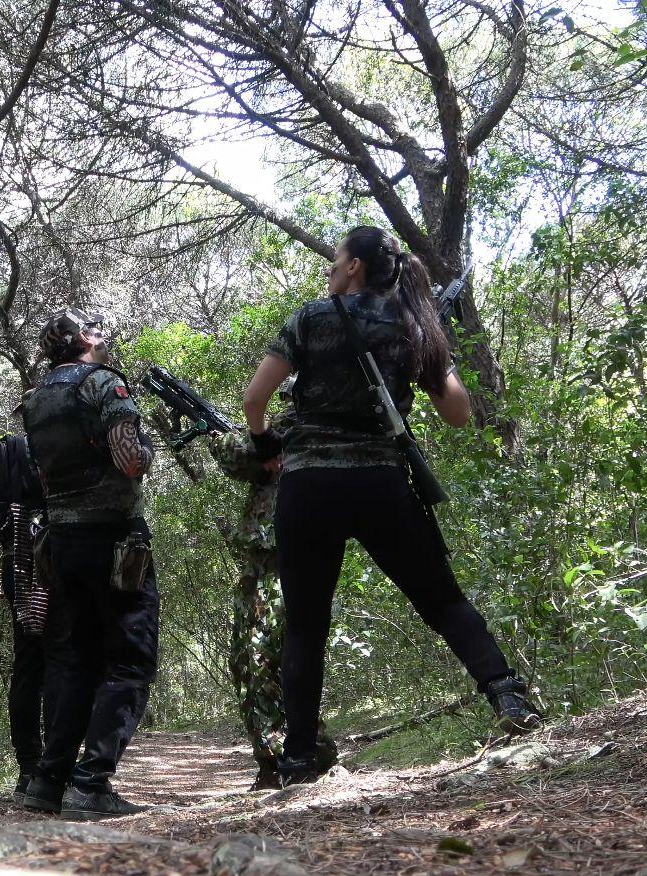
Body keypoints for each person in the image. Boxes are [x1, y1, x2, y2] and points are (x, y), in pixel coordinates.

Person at [242, 225, 541, 785]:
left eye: (336, 260)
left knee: (306, 624)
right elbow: (458, 414)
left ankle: (300, 758)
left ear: (354, 266)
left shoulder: (309, 317)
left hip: (308, 488)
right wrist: (439, 343)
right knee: (442, 598)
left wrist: (265, 445)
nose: (331, 269)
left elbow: (256, 398)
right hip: (382, 482)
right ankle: (509, 699)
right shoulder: (414, 325)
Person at [20, 308, 160, 821]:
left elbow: (39, 468)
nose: (103, 336)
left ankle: (48, 781)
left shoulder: (35, 399)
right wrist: (146, 449)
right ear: (81, 339)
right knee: (130, 658)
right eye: (95, 329)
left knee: (75, 660)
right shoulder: (104, 384)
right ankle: (92, 782)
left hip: (63, 542)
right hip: (114, 538)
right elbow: (131, 462)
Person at [208, 380, 337, 789]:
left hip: (286, 553)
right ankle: (283, 755)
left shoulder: (305, 430)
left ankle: (294, 754)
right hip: (269, 554)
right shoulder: (292, 432)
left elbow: (238, 454)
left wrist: (220, 437)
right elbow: (247, 461)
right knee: (255, 657)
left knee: (261, 656)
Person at [0, 430, 50, 803]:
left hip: (13, 564)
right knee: (57, 662)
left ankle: (27, 770)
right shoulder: (44, 447)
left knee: (27, 666)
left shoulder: (1, 455)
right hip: (46, 558)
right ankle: (52, 770)